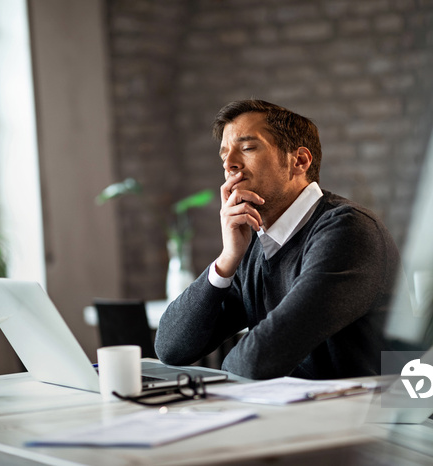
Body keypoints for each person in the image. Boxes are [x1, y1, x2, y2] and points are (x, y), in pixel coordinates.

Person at [154, 100, 400, 380]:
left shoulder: (349, 230)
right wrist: (227, 260)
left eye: (247, 148)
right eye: (224, 155)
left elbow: (260, 359)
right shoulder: (255, 244)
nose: (229, 164)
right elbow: (170, 347)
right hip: (298, 415)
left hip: (366, 418)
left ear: (299, 161)